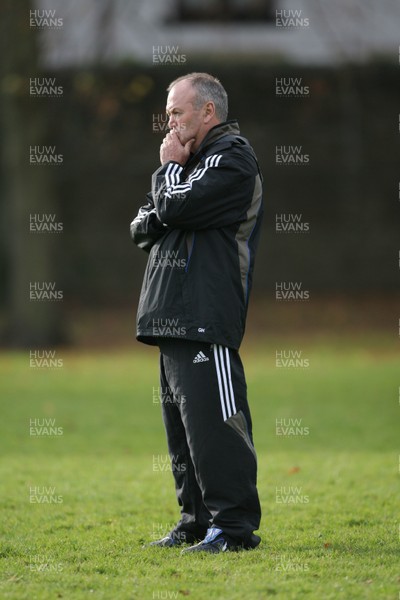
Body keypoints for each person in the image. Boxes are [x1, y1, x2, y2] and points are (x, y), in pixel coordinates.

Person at [130, 72, 264, 554]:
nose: (168, 122)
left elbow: (172, 206)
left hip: (206, 314)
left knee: (216, 427)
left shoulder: (232, 158)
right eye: (168, 113)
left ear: (208, 112)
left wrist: (168, 173)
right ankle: (195, 522)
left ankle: (233, 529)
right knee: (184, 433)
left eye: (176, 112)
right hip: (171, 316)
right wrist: (170, 190)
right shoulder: (188, 165)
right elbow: (142, 225)